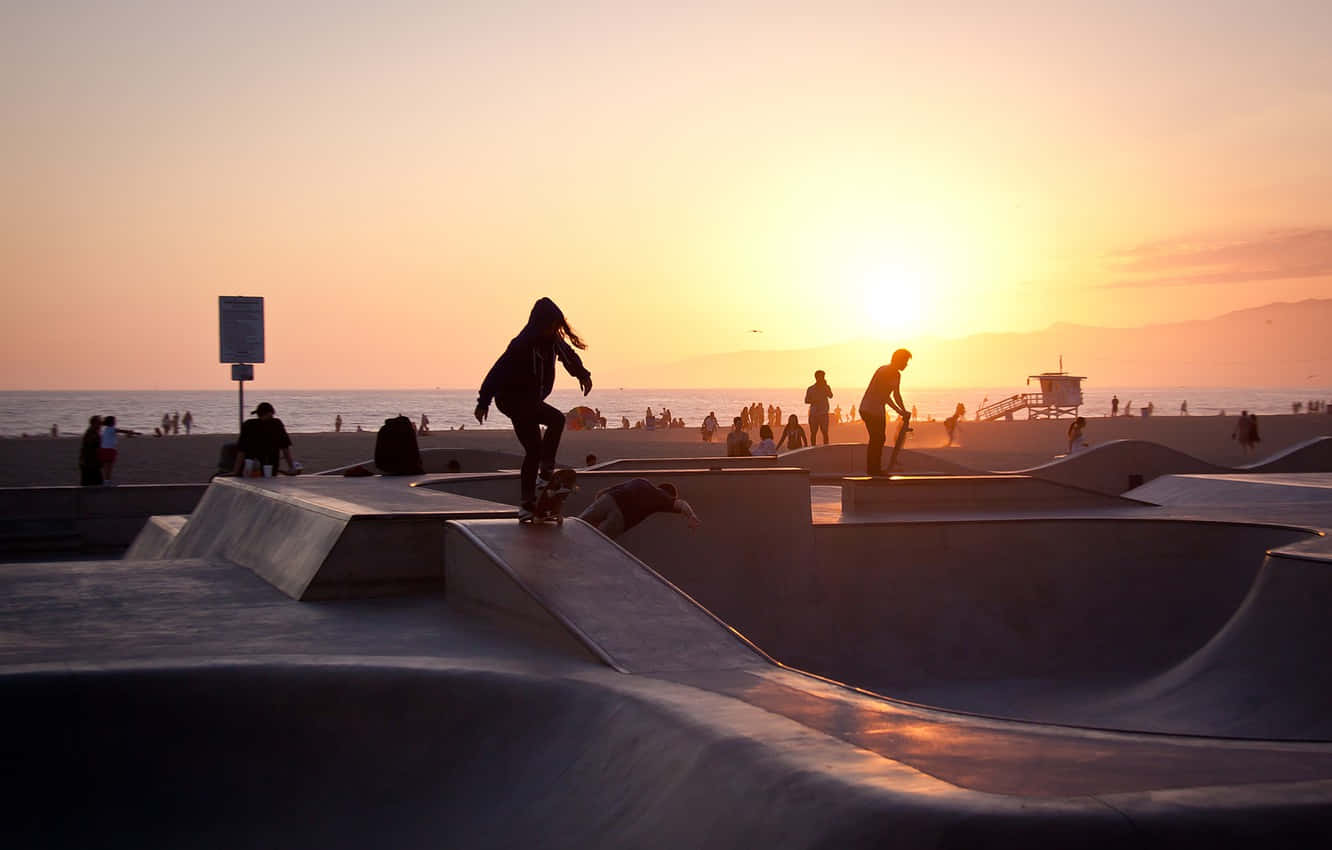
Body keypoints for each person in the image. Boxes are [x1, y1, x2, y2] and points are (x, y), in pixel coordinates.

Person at [474, 297, 592, 521]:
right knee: (556, 420)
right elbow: (497, 371)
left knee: (533, 450)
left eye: (556, 326)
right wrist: (483, 401)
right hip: (511, 400)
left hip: (529, 401)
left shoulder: (554, 341)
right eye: (550, 326)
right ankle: (546, 471)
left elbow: (569, 357)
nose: (553, 330)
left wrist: (583, 374)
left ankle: (527, 503)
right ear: (540, 323)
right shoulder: (521, 344)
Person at [579, 478, 701, 540]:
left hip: (609, 499)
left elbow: (601, 493)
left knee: (579, 523)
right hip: (622, 516)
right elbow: (682, 504)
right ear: (670, 495)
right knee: (597, 540)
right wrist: (691, 515)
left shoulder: (641, 481)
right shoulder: (663, 497)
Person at [859, 348, 912, 476]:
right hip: (869, 409)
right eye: (905, 361)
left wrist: (904, 411)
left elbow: (896, 395)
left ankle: (874, 469)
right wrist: (899, 411)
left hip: (878, 410)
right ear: (898, 360)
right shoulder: (884, 371)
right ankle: (873, 469)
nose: (906, 365)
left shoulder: (897, 374)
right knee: (877, 438)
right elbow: (884, 396)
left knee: (879, 438)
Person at [234, 402, 295, 476]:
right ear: (270, 413)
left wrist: (236, 471)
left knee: (230, 447)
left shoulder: (248, 424)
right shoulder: (277, 424)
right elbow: (285, 449)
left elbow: (241, 450)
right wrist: (292, 467)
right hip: (271, 467)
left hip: (250, 465)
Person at [804, 370, 833, 446]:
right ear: (816, 377)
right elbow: (806, 400)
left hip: (823, 413)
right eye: (821, 376)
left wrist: (825, 387)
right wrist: (814, 400)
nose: (823, 378)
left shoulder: (826, 387)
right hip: (814, 414)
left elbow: (831, 396)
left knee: (825, 432)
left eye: (823, 377)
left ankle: (826, 447)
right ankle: (813, 447)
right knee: (813, 433)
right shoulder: (811, 388)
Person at [99, 415, 128, 484]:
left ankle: (105, 480)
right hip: (110, 450)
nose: (116, 422)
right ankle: (107, 481)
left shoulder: (105, 429)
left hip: (103, 449)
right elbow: (121, 431)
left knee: (106, 466)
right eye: (115, 421)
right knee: (109, 466)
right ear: (112, 422)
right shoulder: (112, 428)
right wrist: (130, 431)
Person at [79, 415, 103, 486]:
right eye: (99, 423)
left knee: (88, 484)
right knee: (94, 483)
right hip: (90, 464)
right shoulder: (92, 434)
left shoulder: (92, 432)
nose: (100, 425)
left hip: (88, 463)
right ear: (94, 423)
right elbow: (95, 448)